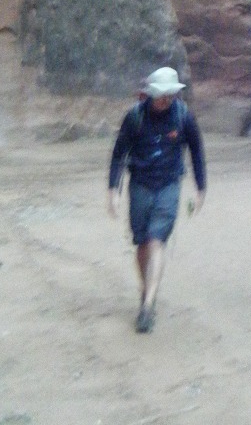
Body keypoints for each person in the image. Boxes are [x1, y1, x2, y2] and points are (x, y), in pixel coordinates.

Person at [107, 66, 206, 333]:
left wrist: (201, 188)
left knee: (156, 241)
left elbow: (196, 151)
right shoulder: (135, 117)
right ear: (151, 94)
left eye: (170, 94)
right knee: (141, 243)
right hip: (140, 184)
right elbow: (119, 154)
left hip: (168, 185)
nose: (166, 99)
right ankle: (145, 290)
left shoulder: (183, 117)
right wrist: (113, 189)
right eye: (162, 95)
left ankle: (149, 304)